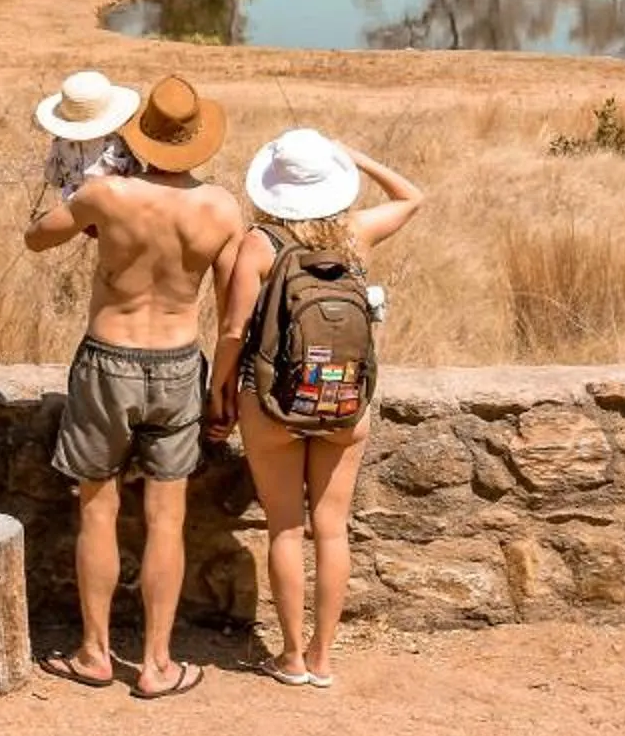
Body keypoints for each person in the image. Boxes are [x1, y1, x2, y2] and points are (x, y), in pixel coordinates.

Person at [24, 73, 243, 700]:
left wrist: (77, 199)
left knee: (97, 509)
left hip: (108, 359)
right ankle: (156, 663)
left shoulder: (107, 195)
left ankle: (94, 653)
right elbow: (233, 315)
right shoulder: (222, 210)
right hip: (178, 361)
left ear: (140, 134)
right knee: (166, 520)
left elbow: (36, 238)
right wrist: (222, 387)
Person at [205, 129, 425, 688]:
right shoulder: (356, 235)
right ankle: (323, 657)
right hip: (345, 402)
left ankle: (291, 656)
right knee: (331, 530)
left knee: (284, 528)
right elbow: (411, 197)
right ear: (333, 182)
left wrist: (218, 390)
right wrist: (355, 155)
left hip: (271, 404)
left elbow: (233, 330)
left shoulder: (260, 244)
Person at [33, 69, 141, 198]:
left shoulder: (60, 144)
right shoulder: (113, 143)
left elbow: (53, 177)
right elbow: (133, 173)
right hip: (111, 203)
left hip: (73, 206)